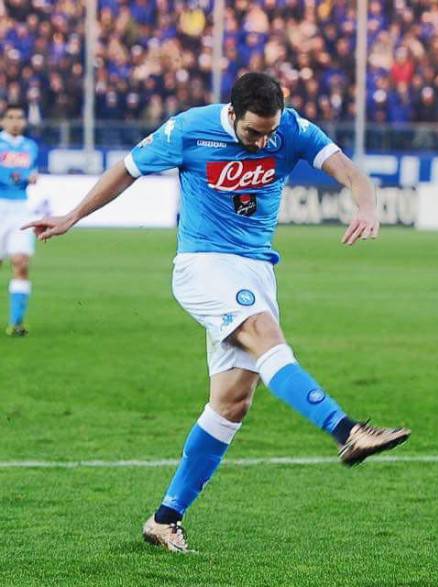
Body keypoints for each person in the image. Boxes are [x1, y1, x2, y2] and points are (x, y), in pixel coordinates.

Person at [25, 73, 411, 553]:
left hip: (256, 272)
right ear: (232, 113)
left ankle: (165, 519)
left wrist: (367, 207)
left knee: (231, 404)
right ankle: (346, 430)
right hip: (203, 266)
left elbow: (350, 173)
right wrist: (71, 217)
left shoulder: (290, 128)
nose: (263, 141)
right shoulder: (190, 129)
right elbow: (127, 169)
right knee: (266, 336)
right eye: (253, 132)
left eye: (269, 132)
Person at [0, 103, 39, 336]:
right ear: (3, 121)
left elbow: (30, 173)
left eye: (20, 117)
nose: (16, 121)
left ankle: (16, 323)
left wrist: (31, 176)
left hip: (21, 209)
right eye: (11, 117)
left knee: (21, 263)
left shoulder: (30, 147)